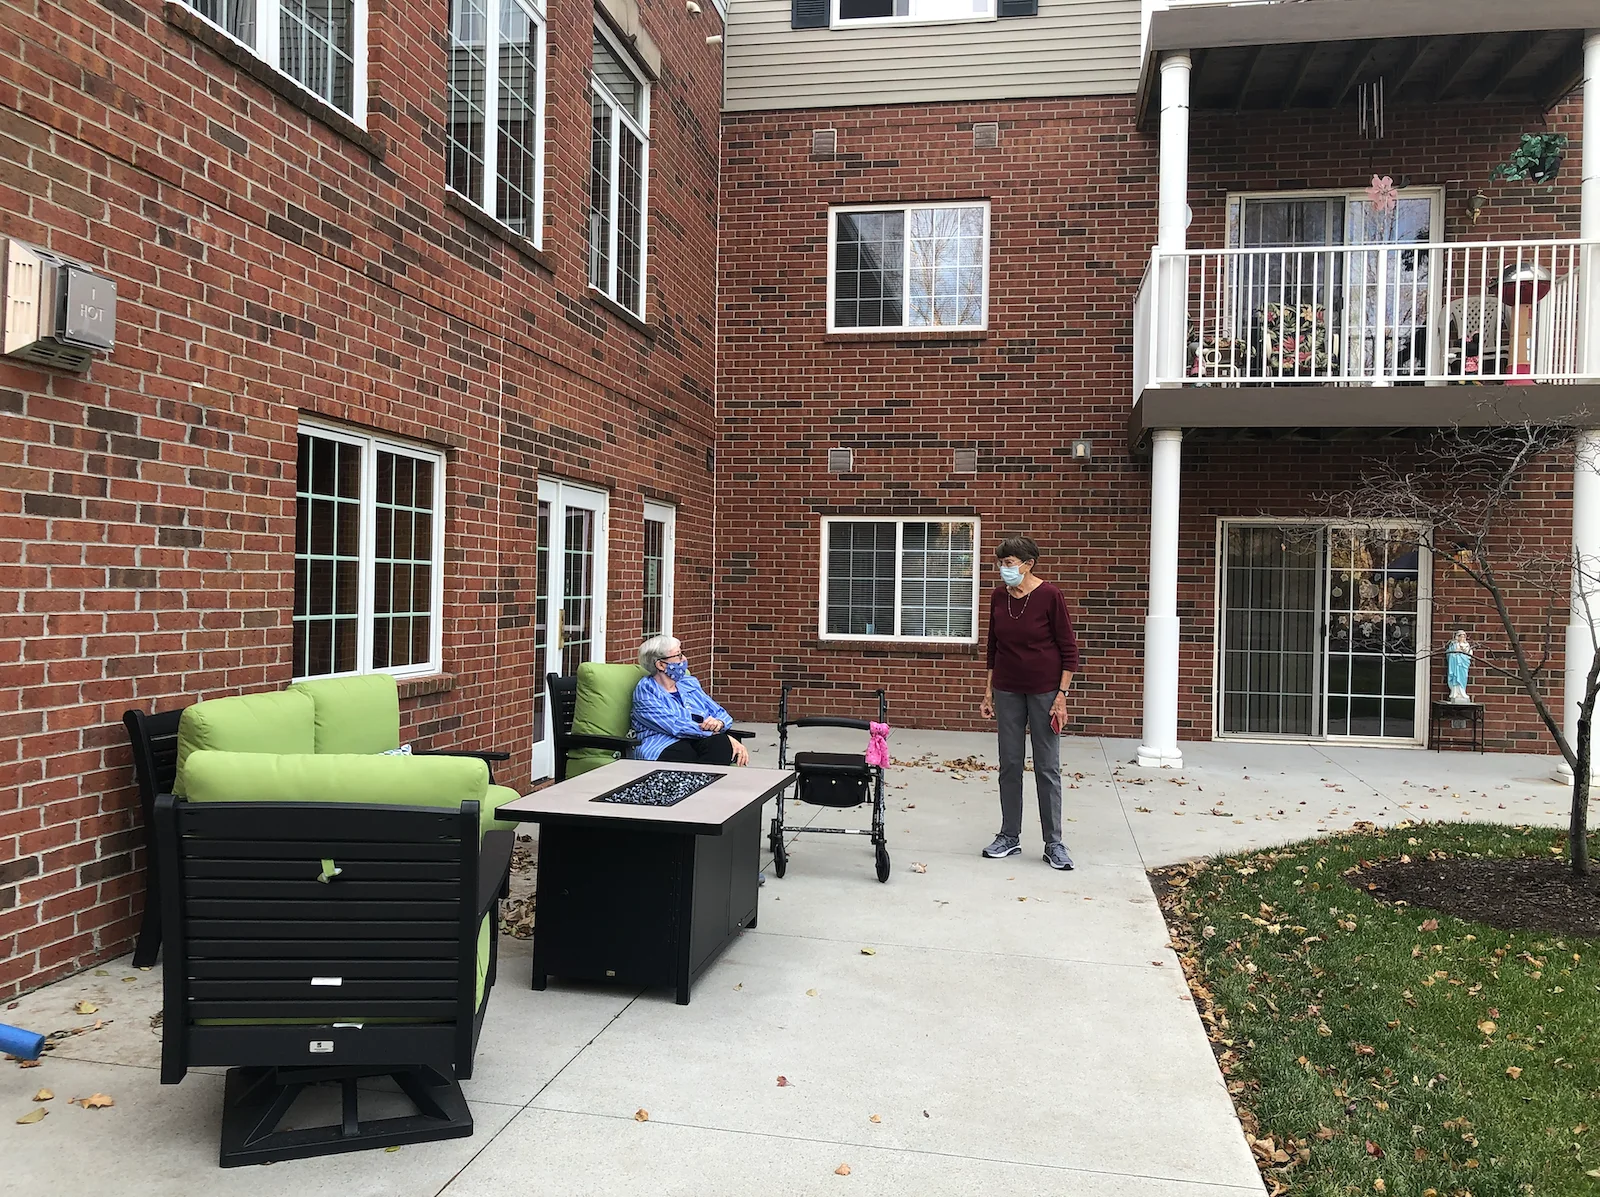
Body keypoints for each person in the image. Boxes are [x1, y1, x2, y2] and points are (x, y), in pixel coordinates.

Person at [979, 536, 1080, 870]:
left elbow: (1069, 650)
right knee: (1009, 764)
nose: (1003, 570)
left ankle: (1054, 843)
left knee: (1046, 767)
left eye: (1009, 563)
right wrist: (988, 691)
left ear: (1028, 564)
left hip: (1044, 692)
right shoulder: (998, 597)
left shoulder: (1050, 596)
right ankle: (1009, 836)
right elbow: (993, 646)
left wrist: (1061, 696)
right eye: (1001, 563)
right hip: (1007, 690)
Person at [632, 635, 750, 766]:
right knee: (686, 753)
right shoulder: (646, 690)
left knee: (720, 744)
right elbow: (675, 726)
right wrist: (714, 733)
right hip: (663, 743)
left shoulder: (689, 683)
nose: (684, 659)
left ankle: (707, 785)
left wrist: (719, 723)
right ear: (661, 665)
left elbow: (720, 712)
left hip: (697, 739)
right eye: (678, 655)